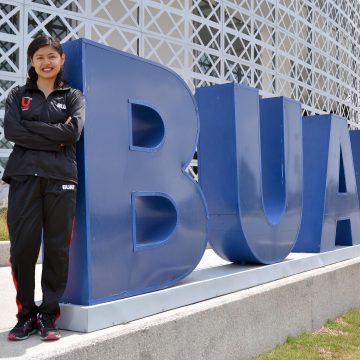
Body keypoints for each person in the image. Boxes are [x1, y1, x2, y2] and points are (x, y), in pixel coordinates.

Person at [3, 35, 84, 341]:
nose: (46, 62)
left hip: (61, 178)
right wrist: (55, 133)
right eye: (39, 57)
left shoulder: (74, 96)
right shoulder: (17, 94)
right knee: (23, 249)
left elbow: (73, 131)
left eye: (52, 56)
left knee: (57, 249)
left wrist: (31, 129)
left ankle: (48, 315)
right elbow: (11, 130)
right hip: (23, 177)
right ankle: (25, 315)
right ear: (32, 62)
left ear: (61, 59)